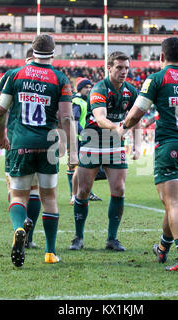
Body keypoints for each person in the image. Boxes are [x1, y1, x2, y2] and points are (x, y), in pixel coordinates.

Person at [117, 37, 178, 272]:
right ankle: (163, 247)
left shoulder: (158, 78)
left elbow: (137, 113)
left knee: (174, 204)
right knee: (173, 202)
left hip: (169, 147)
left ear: (161, 56)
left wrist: (123, 128)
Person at [0, 34, 78, 267]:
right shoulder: (60, 78)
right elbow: (66, 117)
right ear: (54, 53)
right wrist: (73, 152)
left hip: (21, 143)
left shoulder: (15, 75)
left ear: (32, 50)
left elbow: (0, 109)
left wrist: (1, 135)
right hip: (48, 144)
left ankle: (20, 228)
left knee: (18, 195)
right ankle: (50, 253)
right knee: (49, 197)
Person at [70, 51, 141, 251]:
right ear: (108, 68)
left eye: (126, 67)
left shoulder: (131, 91)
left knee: (119, 189)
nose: (124, 71)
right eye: (119, 67)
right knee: (83, 190)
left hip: (115, 143)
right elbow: (100, 118)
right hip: (93, 141)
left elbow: (136, 117)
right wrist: (117, 128)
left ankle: (112, 239)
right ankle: (78, 237)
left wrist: (137, 144)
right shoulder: (99, 89)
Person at [0, 48, 40, 249]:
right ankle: (31, 237)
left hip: (15, 139)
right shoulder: (49, 77)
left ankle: (18, 229)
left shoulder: (13, 76)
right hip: (42, 140)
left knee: (15, 189)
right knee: (35, 190)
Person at [68, 77, 102, 205]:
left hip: (88, 138)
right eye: (86, 87)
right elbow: (75, 121)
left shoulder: (88, 101)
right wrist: (84, 133)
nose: (89, 89)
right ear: (80, 89)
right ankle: (74, 195)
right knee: (79, 168)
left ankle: (84, 192)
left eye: (89, 87)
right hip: (80, 139)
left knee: (86, 167)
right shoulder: (77, 102)